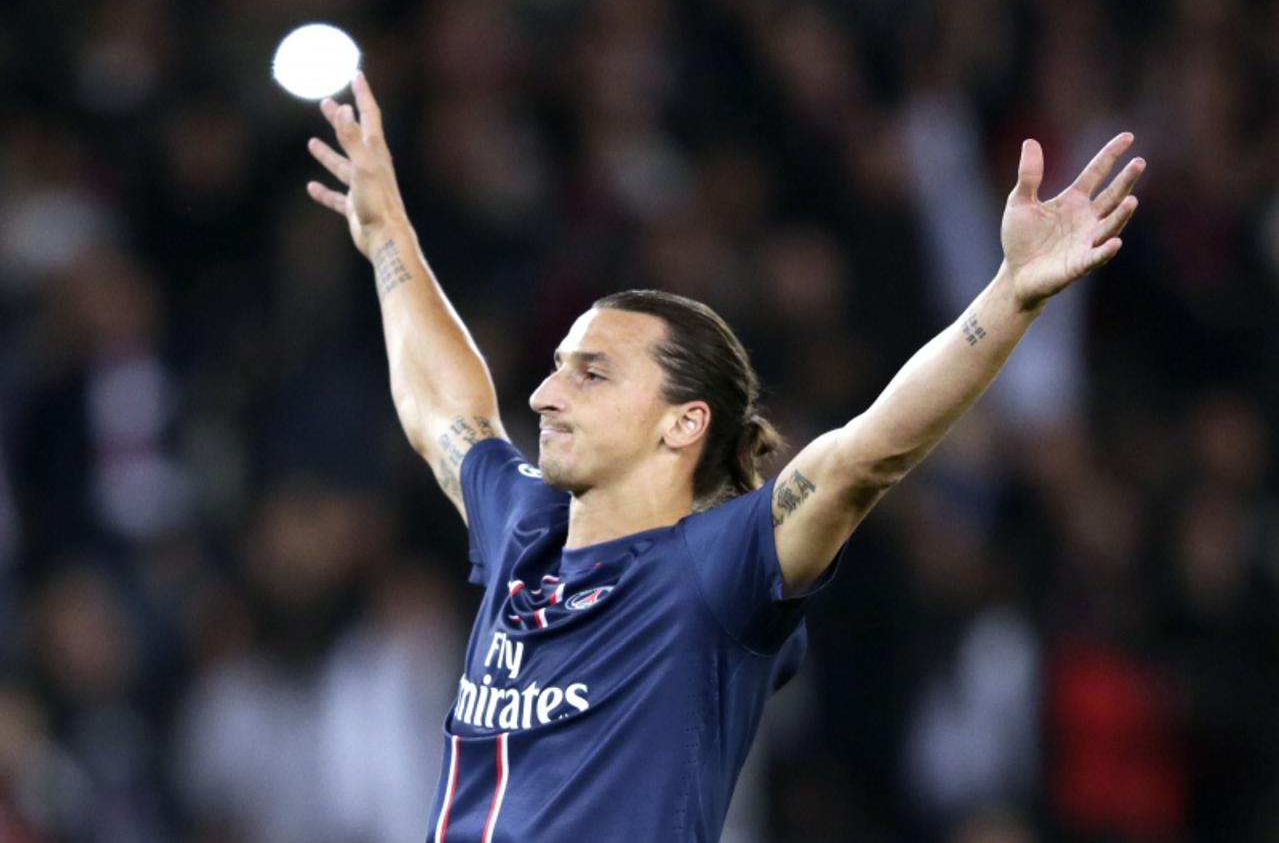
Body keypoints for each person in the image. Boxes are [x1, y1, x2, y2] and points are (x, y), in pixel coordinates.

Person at [305, 73, 1145, 842]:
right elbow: (447, 409)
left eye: (591, 373)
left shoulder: (715, 569)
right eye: (559, 366)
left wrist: (1009, 296)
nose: (546, 395)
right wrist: (386, 234)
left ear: (683, 423)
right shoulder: (523, 523)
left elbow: (866, 455)